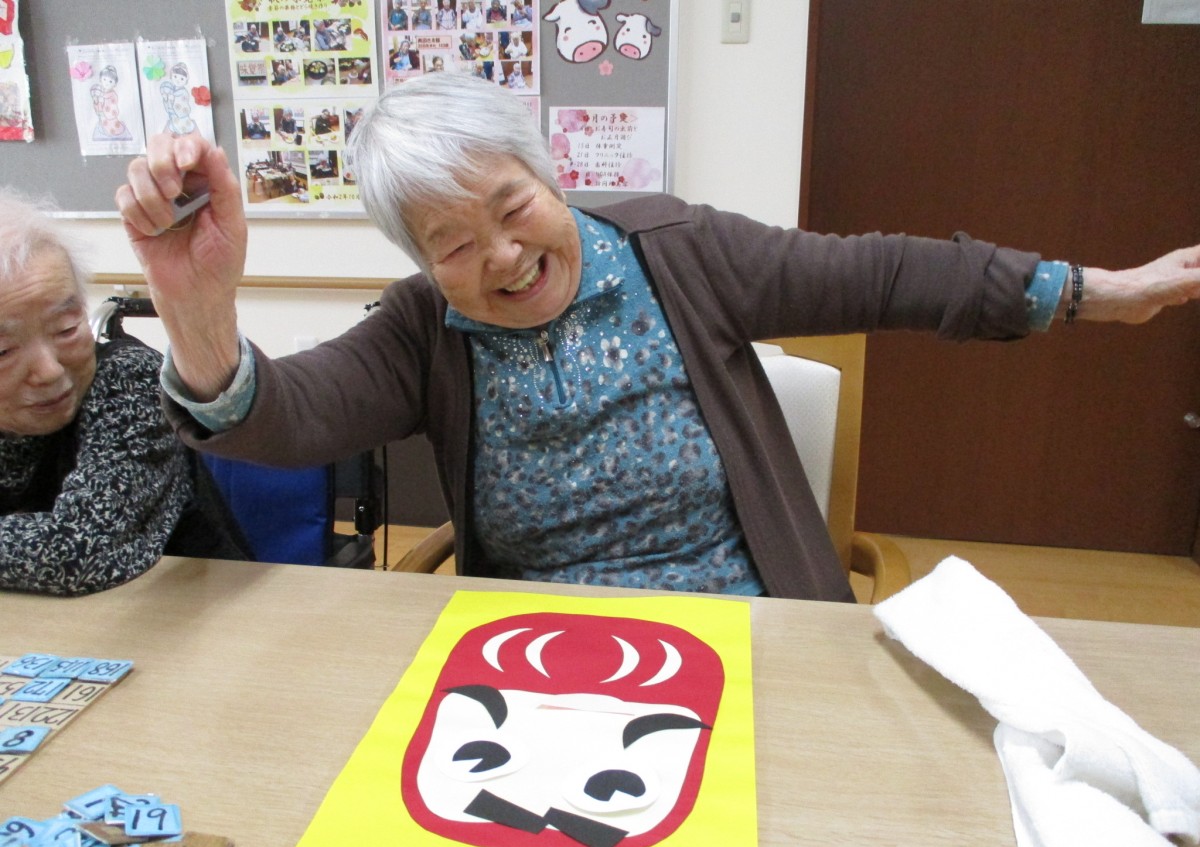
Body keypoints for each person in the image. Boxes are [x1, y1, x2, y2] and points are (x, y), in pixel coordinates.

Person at [115, 75, 1200, 603]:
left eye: (512, 206)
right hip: (540, 661)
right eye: (454, 244)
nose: (502, 255)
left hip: (750, 635)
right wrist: (198, 306)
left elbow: (885, 271)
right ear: (421, 262)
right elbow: (284, 418)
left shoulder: (680, 252)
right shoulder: (419, 330)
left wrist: (1089, 292)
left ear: (549, 174)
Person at [0, 190, 250, 597]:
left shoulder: (129, 380)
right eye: (4, 351)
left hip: (189, 610)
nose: (49, 371)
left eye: (66, 329)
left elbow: (75, 553)